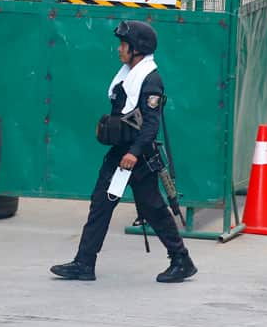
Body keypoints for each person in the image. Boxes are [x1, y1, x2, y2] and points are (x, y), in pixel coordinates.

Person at [50, 20, 197, 283]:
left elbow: (151, 124)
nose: (119, 49)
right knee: (101, 204)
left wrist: (134, 153)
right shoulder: (127, 74)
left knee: (152, 209)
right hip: (121, 153)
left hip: (136, 158)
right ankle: (84, 263)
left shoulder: (151, 80)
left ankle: (181, 259)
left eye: (123, 44)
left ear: (137, 48)